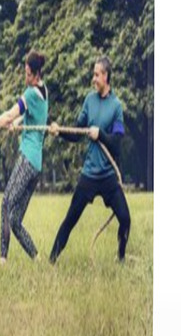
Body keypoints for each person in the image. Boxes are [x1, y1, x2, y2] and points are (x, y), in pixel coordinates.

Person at [48, 56, 130, 263]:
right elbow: (76, 132)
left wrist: (100, 134)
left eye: (96, 74)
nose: (93, 78)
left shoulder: (116, 106)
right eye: (93, 74)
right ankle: (51, 261)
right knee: (70, 219)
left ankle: (120, 258)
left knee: (125, 219)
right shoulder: (89, 101)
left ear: (105, 76)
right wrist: (59, 131)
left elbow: (117, 143)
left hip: (109, 176)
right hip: (90, 175)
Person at [0, 50, 48, 265]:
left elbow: (10, 113)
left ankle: (2, 261)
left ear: (36, 74)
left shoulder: (29, 94)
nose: (25, 77)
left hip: (27, 158)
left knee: (6, 202)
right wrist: (17, 124)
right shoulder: (44, 91)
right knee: (15, 220)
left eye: (28, 74)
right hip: (36, 165)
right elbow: (33, 117)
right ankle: (37, 259)